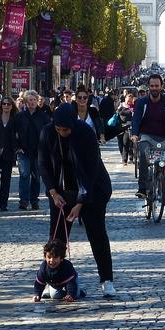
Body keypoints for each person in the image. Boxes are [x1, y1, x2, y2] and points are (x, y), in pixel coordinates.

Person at [39, 103, 116, 296]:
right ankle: (54, 281)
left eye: (66, 129)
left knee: (97, 234)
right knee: (56, 238)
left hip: (93, 190)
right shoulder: (47, 133)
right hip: (61, 192)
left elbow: (90, 172)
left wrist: (80, 203)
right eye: (59, 129)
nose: (63, 133)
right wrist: (53, 193)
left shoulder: (85, 133)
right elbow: (43, 164)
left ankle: (106, 280)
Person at [130, 74, 165, 203]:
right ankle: (142, 187)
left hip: (164, 137)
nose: (154, 88)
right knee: (143, 154)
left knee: (164, 163)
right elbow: (136, 119)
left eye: (157, 86)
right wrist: (134, 134)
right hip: (145, 136)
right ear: (148, 87)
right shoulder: (141, 102)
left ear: (161, 87)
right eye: (152, 86)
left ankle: (162, 191)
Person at [15, 90, 48, 210]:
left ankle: (34, 200)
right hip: (24, 151)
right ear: (25, 102)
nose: (33, 102)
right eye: (30, 100)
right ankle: (23, 201)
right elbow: (13, 133)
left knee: (36, 176)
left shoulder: (43, 116)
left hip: (38, 151)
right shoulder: (19, 116)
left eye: (34, 100)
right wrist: (17, 148)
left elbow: (48, 132)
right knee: (24, 175)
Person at [116, 92, 137, 165]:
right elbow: (120, 112)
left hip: (128, 127)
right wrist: (129, 111)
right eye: (128, 100)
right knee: (120, 143)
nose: (129, 102)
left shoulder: (134, 107)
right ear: (125, 99)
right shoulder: (121, 105)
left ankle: (125, 160)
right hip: (120, 126)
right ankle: (123, 156)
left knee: (126, 143)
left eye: (130, 101)